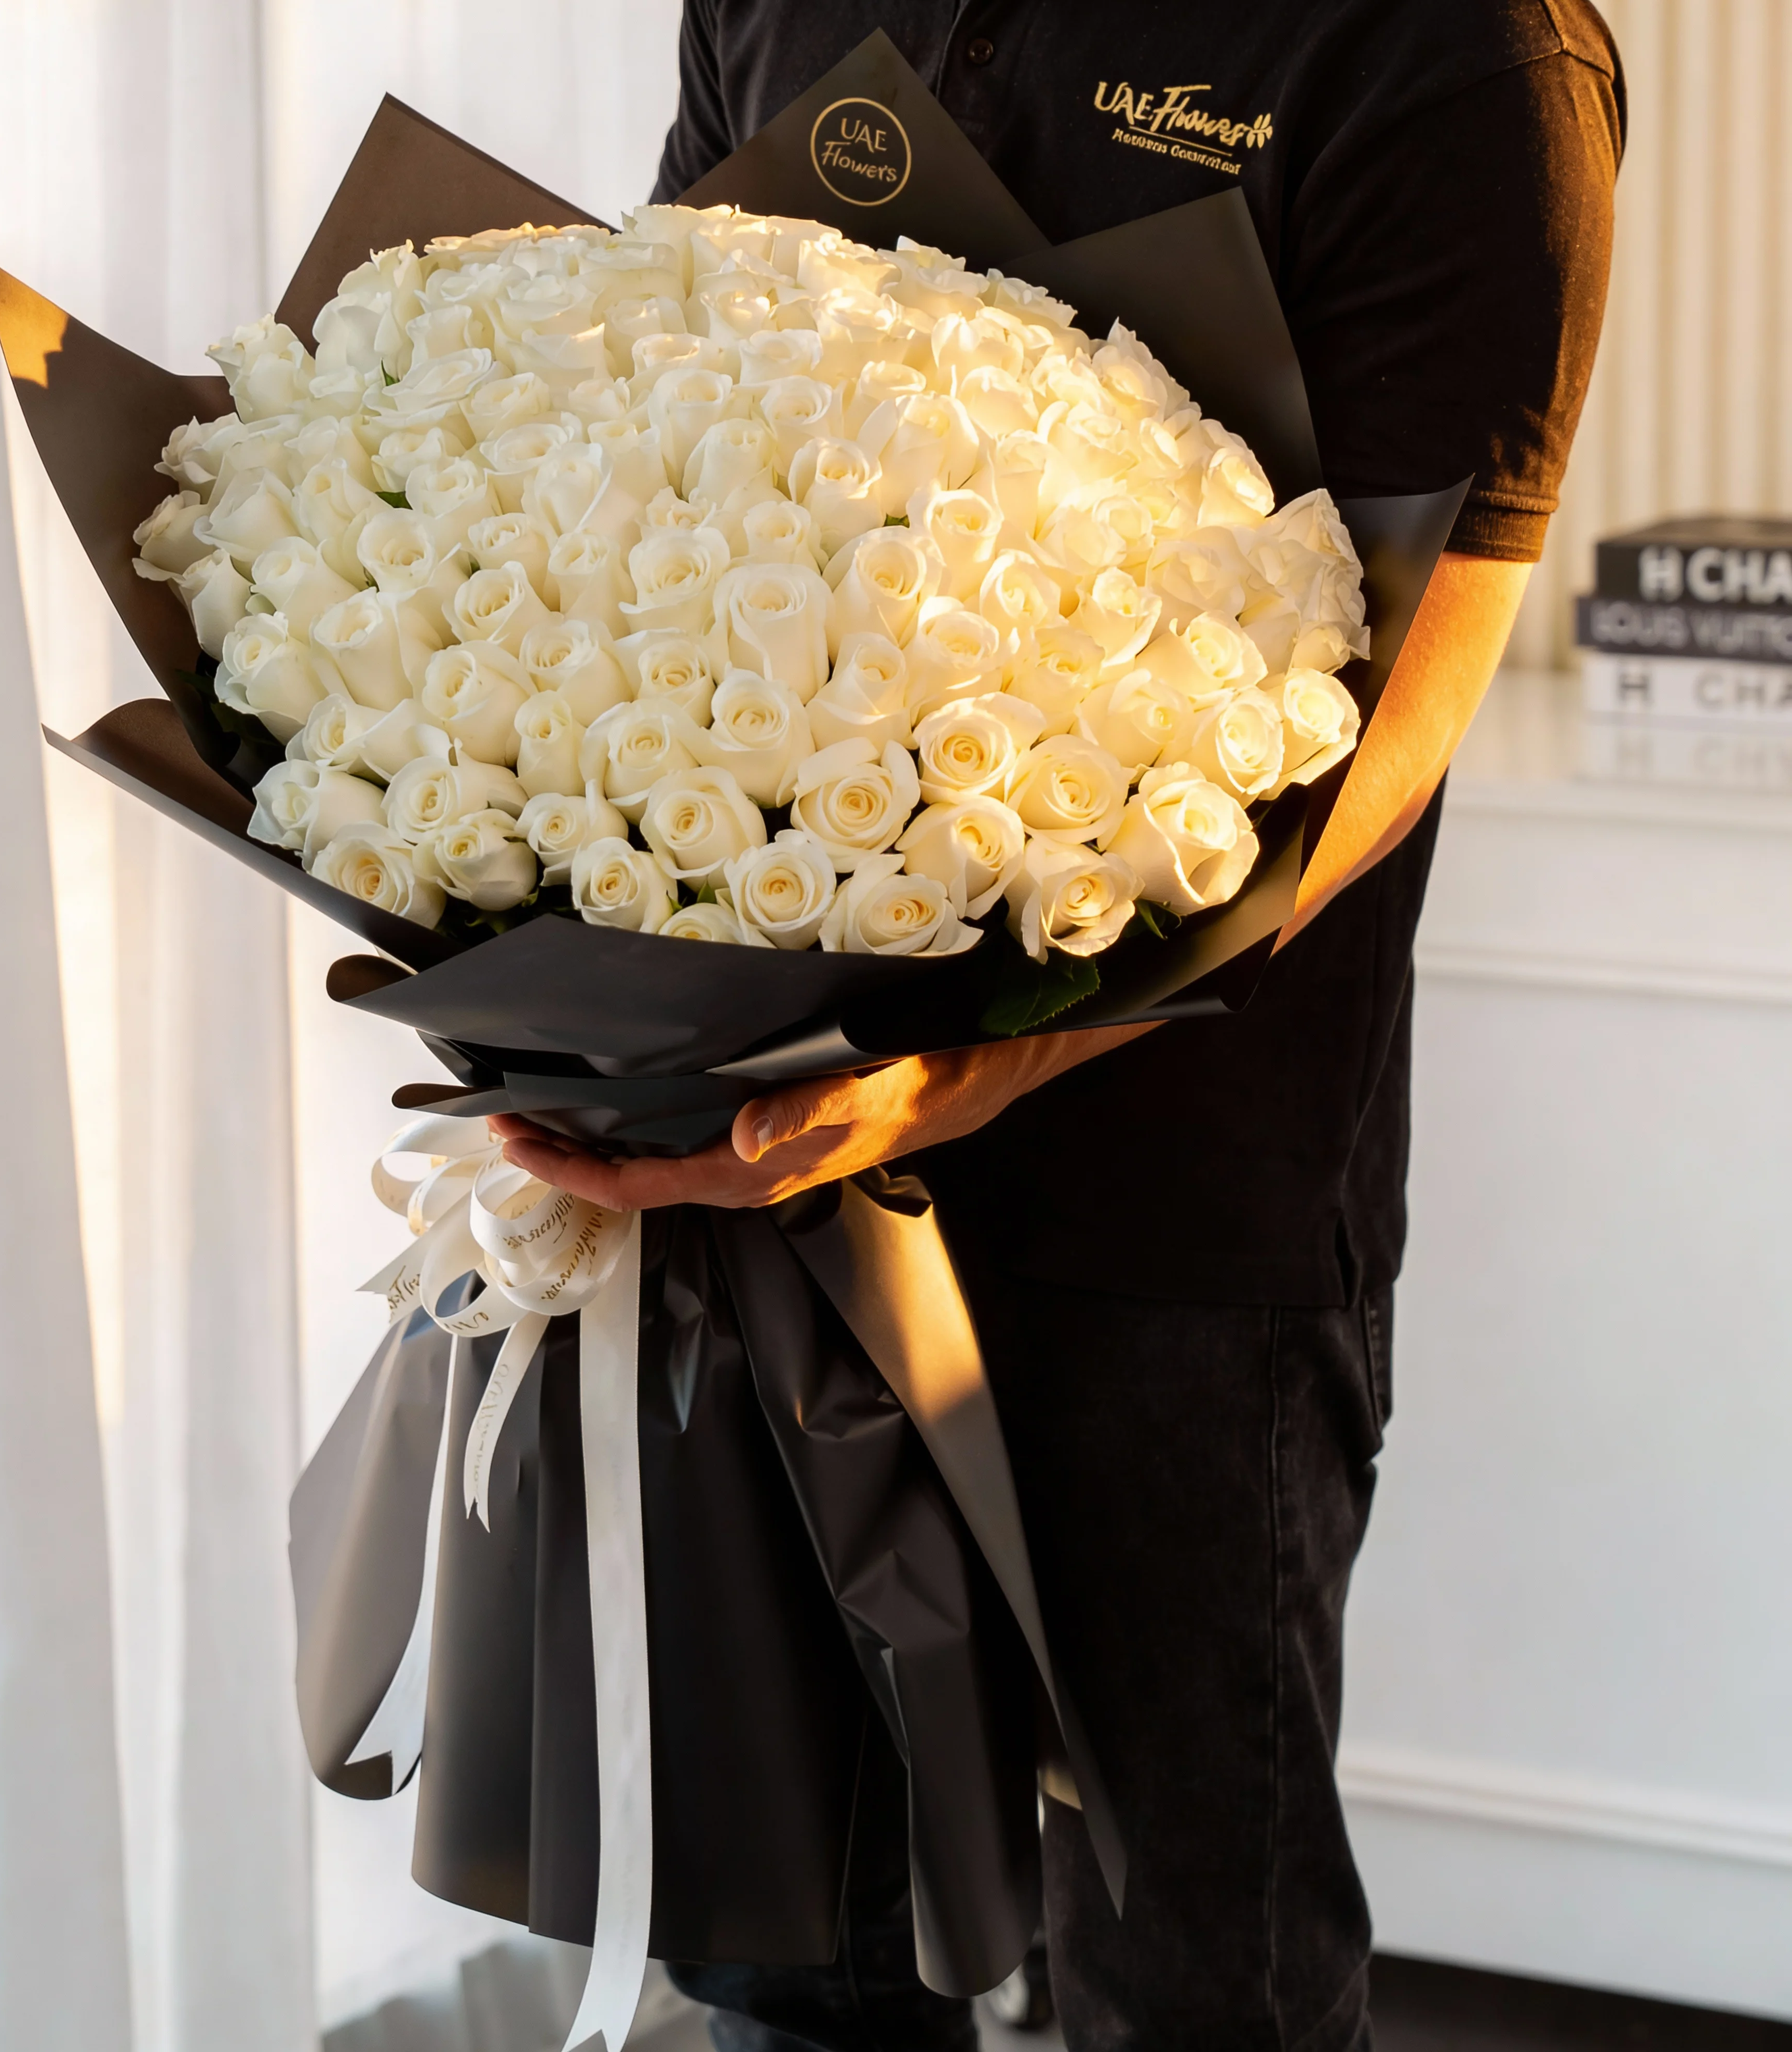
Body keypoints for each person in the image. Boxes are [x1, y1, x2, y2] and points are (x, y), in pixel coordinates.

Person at [492, 4, 1623, 2046]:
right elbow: (657, 396)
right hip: (765, 1169)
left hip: (1182, 1204)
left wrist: (991, 1058)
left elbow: (1398, 712)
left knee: (1190, 1953)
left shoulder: (1460, 55)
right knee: (791, 1945)